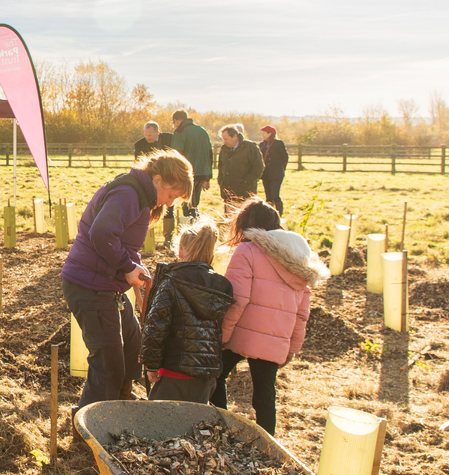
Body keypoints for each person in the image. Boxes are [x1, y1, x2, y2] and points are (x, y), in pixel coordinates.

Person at [61, 152, 193, 416]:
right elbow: (102, 234)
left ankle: (121, 403)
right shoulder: (128, 194)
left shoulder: (141, 197)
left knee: (132, 346)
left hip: (107, 285)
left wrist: (135, 269)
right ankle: (90, 425)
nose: (170, 202)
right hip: (90, 286)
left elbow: (124, 242)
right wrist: (127, 267)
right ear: (158, 180)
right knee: (108, 363)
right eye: (172, 194)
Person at [211, 198, 329, 436]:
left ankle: (219, 428)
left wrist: (222, 335)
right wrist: (292, 348)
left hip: (242, 333)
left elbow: (237, 299)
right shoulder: (299, 258)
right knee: (265, 394)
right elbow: (302, 313)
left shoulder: (247, 250)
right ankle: (268, 444)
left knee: (215, 375)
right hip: (276, 339)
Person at [140, 218, 235, 403]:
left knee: (157, 425)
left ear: (181, 249)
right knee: (193, 427)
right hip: (206, 375)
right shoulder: (222, 286)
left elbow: (156, 327)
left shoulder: (172, 282)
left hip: (174, 370)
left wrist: (151, 365)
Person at [134, 120, 177, 244]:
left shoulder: (169, 140)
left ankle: (168, 238)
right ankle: (144, 239)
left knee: (169, 207)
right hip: (149, 180)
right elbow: (138, 164)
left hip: (168, 179)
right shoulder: (140, 145)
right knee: (147, 208)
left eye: (150, 135)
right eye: (146, 135)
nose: (147, 137)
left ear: (157, 133)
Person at [171, 110, 213, 218]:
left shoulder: (180, 131)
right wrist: (208, 177)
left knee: (187, 203)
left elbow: (177, 154)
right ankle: (196, 223)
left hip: (187, 173)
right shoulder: (202, 130)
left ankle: (190, 228)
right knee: (195, 203)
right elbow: (210, 153)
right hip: (203, 172)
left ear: (176, 121)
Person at [217, 124, 265, 215]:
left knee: (245, 217)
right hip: (228, 190)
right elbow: (221, 167)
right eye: (223, 139)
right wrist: (221, 181)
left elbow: (258, 167)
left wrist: (247, 181)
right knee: (229, 218)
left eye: (226, 139)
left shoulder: (250, 147)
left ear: (235, 136)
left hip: (245, 191)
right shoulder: (224, 149)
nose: (224, 142)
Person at [259, 125, 289, 214]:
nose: (262, 135)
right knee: (268, 197)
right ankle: (270, 215)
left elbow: (285, 158)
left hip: (276, 173)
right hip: (266, 174)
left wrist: (280, 168)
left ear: (270, 134)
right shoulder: (262, 144)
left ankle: (279, 213)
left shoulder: (278, 144)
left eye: (264, 133)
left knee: (275, 195)